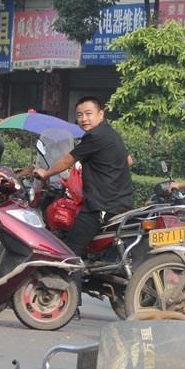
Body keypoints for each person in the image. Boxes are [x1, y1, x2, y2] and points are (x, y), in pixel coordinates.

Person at [33, 97, 133, 256]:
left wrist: (45, 173)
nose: (83, 119)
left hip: (102, 206)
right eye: (79, 115)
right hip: (122, 203)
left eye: (88, 113)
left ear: (101, 114)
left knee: (71, 250)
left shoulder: (94, 136)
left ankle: (72, 281)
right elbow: (128, 161)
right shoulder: (111, 133)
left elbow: (67, 160)